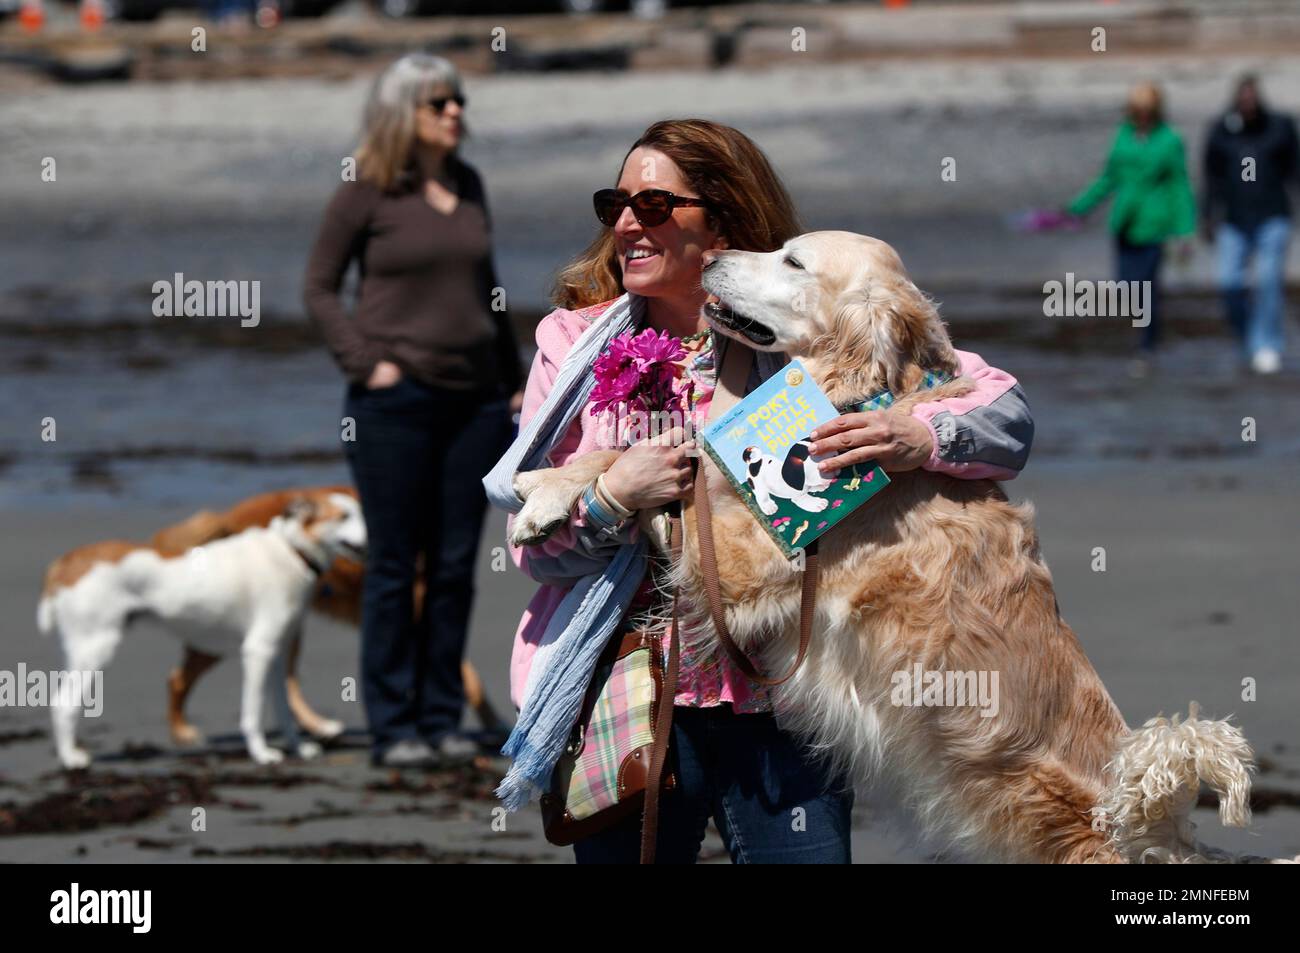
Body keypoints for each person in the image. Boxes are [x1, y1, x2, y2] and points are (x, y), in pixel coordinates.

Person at [503, 119, 1035, 863]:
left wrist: (924, 438)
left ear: (717, 219)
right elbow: (535, 554)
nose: (626, 223)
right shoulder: (572, 344)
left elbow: (1005, 413)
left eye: (653, 205)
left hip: (790, 703)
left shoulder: (806, 328)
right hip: (629, 690)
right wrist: (613, 497)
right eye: (613, 204)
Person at [303, 54, 524, 769]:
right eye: (438, 102)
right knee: (397, 565)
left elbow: (487, 290)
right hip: (393, 404)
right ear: (403, 112)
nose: (455, 111)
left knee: (457, 564)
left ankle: (441, 718)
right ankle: (394, 725)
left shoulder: (469, 185)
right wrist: (370, 364)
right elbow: (318, 288)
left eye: (457, 100)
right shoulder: (366, 190)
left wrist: (517, 380)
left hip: (477, 405)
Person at [1067, 82, 1197, 375]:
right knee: (1126, 286)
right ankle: (1145, 338)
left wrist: (1185, 229)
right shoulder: (1123, 136)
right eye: (1137, 111)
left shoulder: (1169, 141)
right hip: (1124, 223)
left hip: (1153, 225)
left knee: (1146, 290)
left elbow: (1179, 186)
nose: (1141, 117)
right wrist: (1078, 208)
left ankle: (1147, 347)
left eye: (1146, 112)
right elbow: (1108, 178)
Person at [1202, 74, 1298, 375]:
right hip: (1233, 220)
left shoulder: (1279, 127)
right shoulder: (1221, 132)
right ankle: (1249, 340)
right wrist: (1206, 216)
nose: (1247, 103)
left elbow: (1296, 171)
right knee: (1230, 284)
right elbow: (1211, 178)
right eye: (1242, 98)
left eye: (1252, 97)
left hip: (1272, 217)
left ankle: (1267, 344)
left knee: (1269, 282)